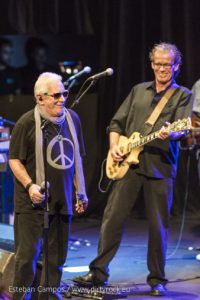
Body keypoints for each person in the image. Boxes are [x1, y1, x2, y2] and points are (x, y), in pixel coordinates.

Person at [73, 43, 193, 296]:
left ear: (176, 66)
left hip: (160, 167)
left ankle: (157, 279)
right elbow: (116, 123)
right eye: (158, 64)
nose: (162, 68)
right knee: (112, 218)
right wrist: (115, 145)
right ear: (152, 64)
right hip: (128, 164)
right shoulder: (138, 90)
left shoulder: (182, 95)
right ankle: (98, 273)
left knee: (158, 227)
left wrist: (170, 133)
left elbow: (183, 131)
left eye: (167, 64)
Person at [8, 72, 88, 299]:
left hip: (62, 200)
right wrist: (30, 186)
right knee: (26, 260)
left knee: (56, 259)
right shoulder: (26, 123)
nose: (62, 99)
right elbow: (14, 159)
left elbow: (76, 159)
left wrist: (80, 192)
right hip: (32, 202)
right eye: (56, 95)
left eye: (64, 93)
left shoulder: (73, 119)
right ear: (40, 99)